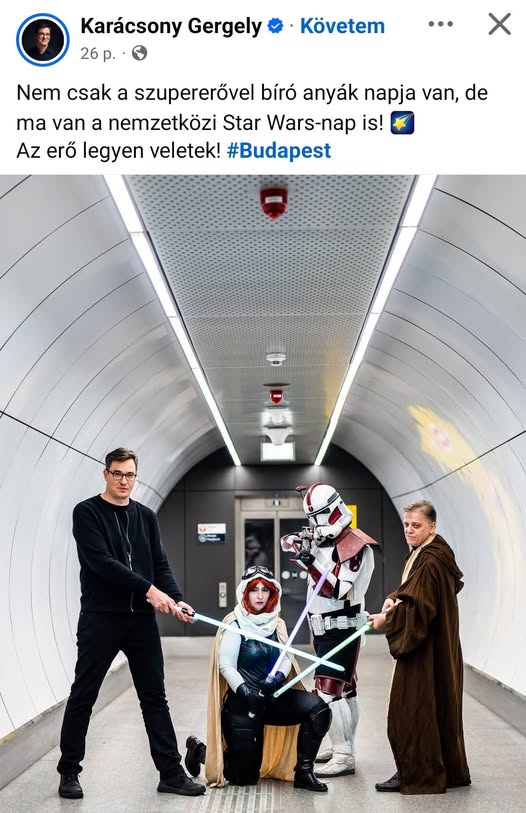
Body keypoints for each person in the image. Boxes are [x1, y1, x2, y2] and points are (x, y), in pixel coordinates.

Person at [56, 448, 205, 799]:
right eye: (118, 474)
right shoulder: (86, 513)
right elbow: (102, 563)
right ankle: (69, 772)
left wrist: (175, 597)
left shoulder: (146, 517)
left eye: (130, 475)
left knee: (155, 698)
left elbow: (160, 564)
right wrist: (149, 590)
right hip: (100, 620)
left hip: (141, 623)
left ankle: (170, 774)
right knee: (84, 695)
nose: (124, 481)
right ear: (106, 474)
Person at [184, 566, 332, 791]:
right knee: (243, 777)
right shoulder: (234, 624)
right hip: (243, 706)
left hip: (273, 698)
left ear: (273, 593)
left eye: (265, 589)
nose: (260, 595)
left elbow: (286, 657)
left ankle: (304, 772)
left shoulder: (277, 624)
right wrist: (246, 692)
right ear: (245, 592)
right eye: (254, 590)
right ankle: (199, 751)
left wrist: (278, 677)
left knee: (319, 710)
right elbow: (226, 666)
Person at [368, 500, 471, 794]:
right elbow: (416, 592)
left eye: (416, 525)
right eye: (406, 525)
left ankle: (417, 773)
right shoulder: (432, 553)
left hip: (424, 649)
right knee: (440, 706)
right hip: (438, 646)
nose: (409, 530)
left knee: (411, 708)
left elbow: (421, 609)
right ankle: (445, 769)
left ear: (432, 527)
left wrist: (386, 619)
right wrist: (395, 597)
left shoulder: (429, 560)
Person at [280, 483, 377, 777]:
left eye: (319, 517)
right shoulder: (329, 541)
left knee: (329, 691)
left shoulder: (355, 544)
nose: (316, 525)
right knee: (345, 690)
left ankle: (344, 754)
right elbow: (300, 548)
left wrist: (309, 563)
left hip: (342, 628)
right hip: (324, 629)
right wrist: (298, 544)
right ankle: (342, 747)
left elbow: (337, 589)